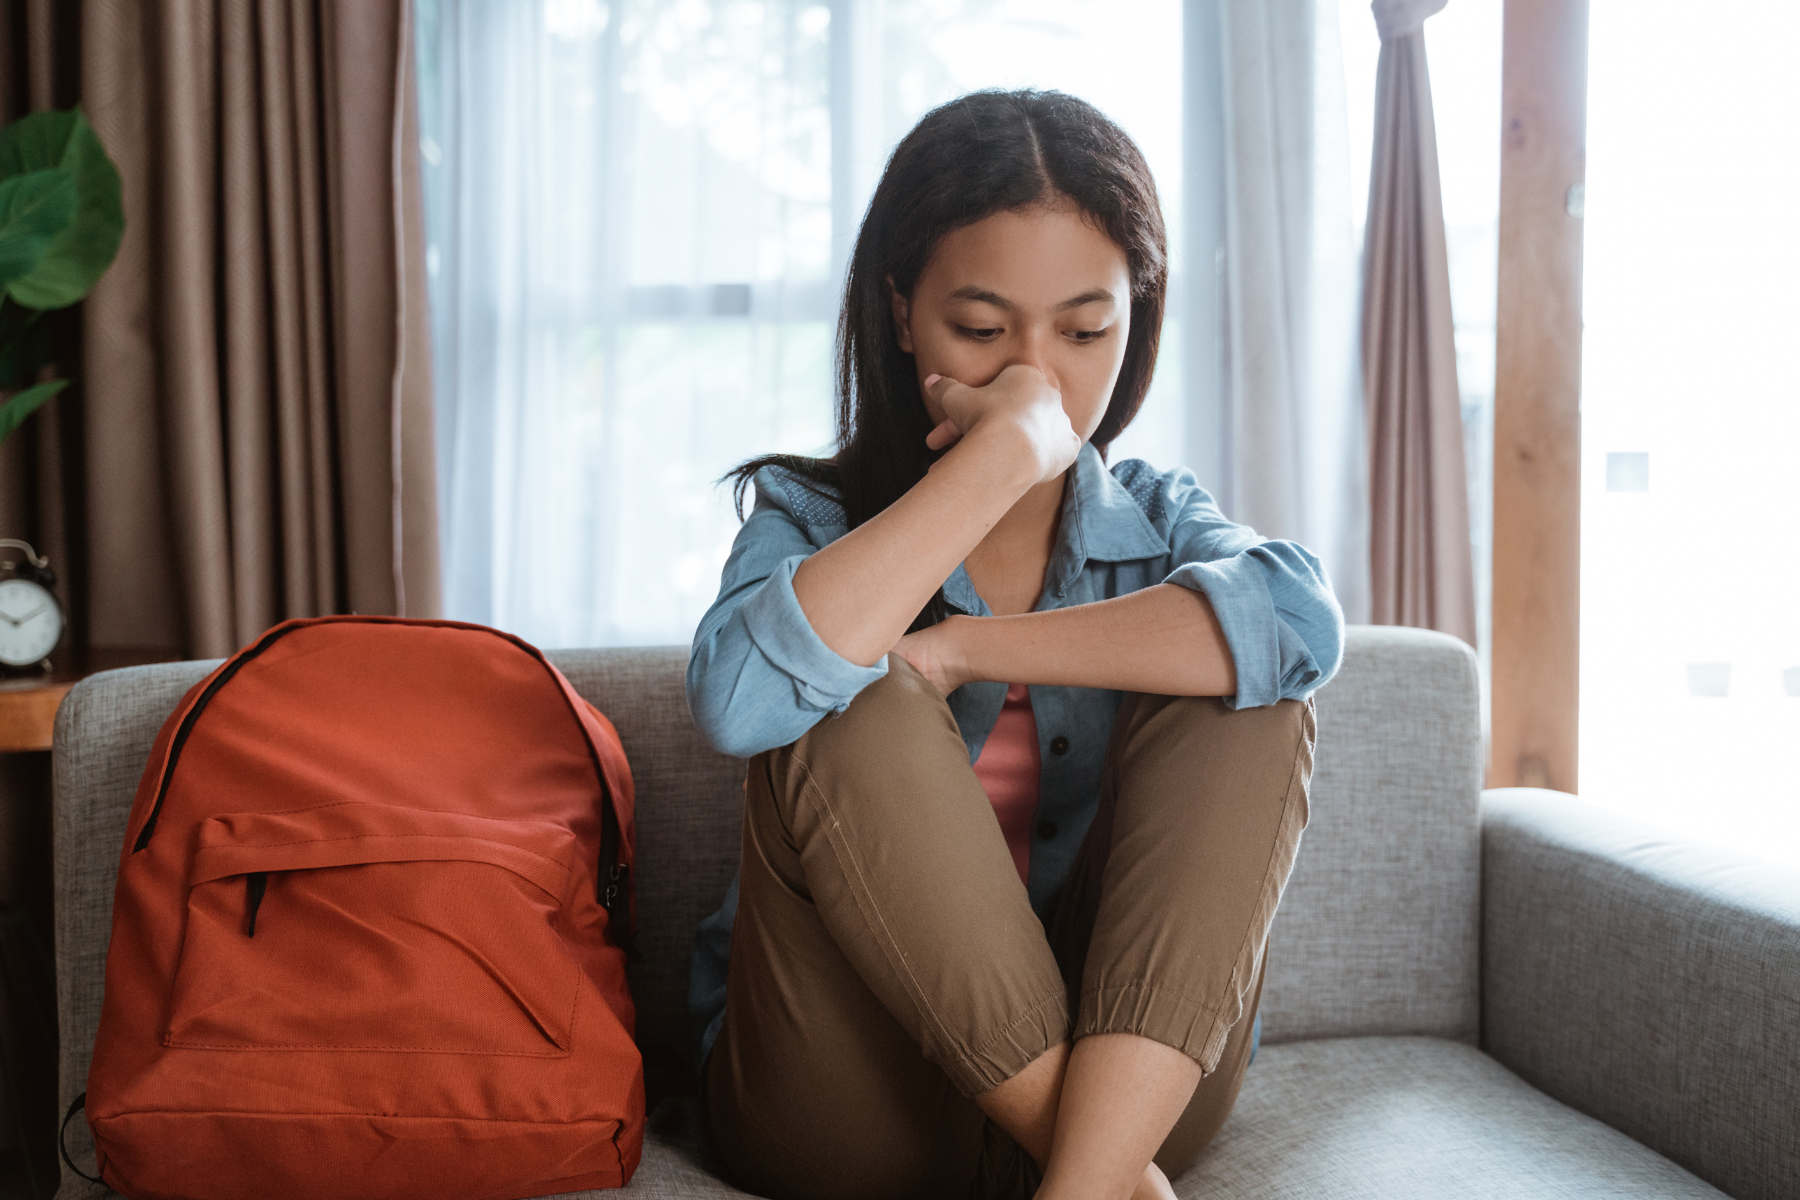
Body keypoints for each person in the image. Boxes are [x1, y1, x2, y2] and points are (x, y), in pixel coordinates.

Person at [686, 89, 1343, 1200]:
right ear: (900, 314)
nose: (1035, 373)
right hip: (846, 1107)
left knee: (1248, 682)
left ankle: (1080, 1182)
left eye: (1085, 332)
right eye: (983, 332)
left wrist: (974, 651)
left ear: (1138, 313)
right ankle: (1093, 1178)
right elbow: (740, 699)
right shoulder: (808, 519)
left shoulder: (1162, 515)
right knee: (853, 685)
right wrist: (1004, 455)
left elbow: (1302, 626)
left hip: (1122, 1094)